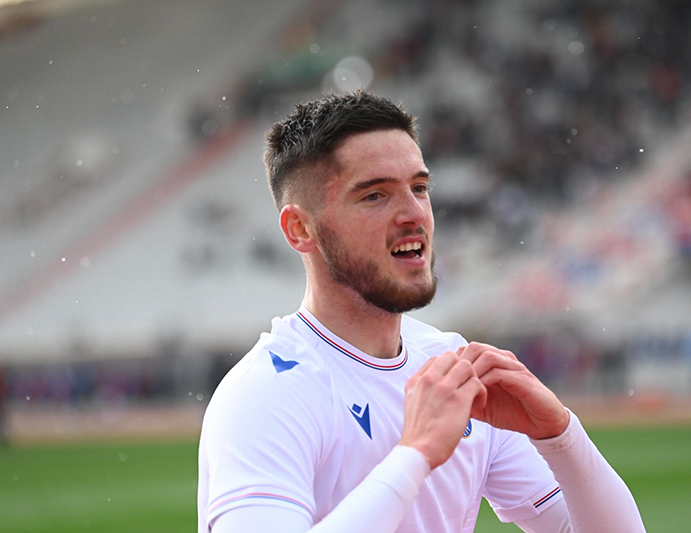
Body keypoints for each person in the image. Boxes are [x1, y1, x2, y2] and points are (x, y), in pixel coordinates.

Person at [197, 91, 646, 533]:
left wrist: (559, 434)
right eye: (375, 195)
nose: (414, 214)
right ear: (300, 229)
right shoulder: (266, 393)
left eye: (419, 188)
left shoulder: (452, 367)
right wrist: (415, 455)